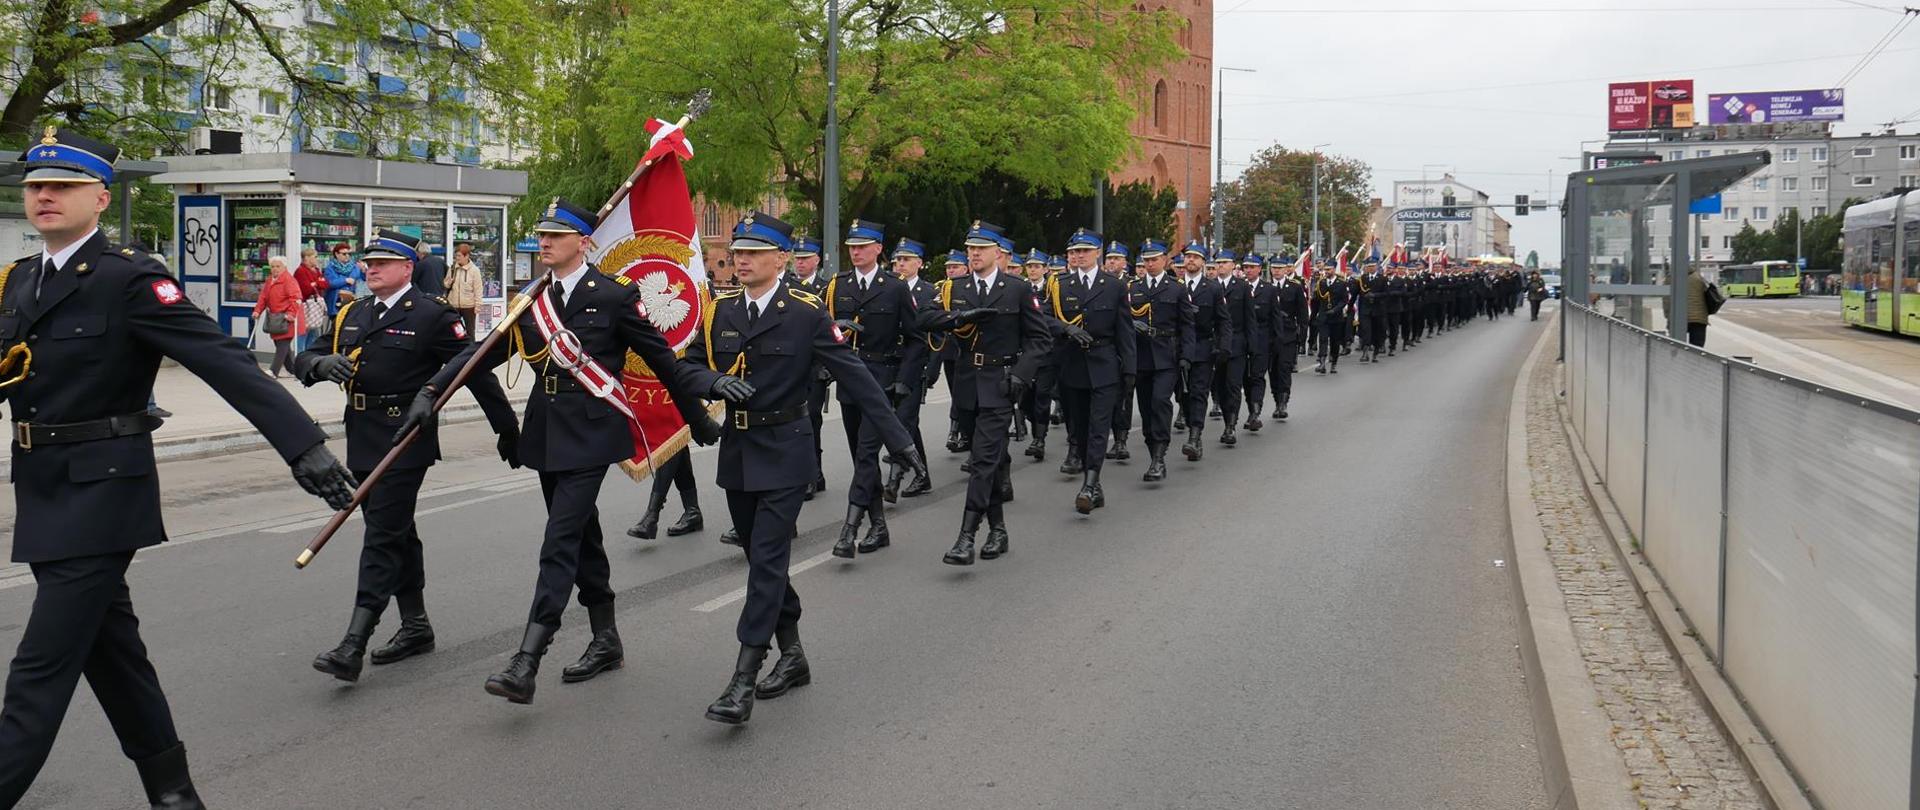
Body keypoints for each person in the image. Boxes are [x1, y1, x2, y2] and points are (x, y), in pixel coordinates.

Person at [0, 128, 357, 810]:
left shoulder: (128, 277)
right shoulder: (20, 281)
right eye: (36, 186)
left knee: (37, 674)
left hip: (103, 497)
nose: (45, 196)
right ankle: (175, 795)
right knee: (113, 654)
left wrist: (301, 445)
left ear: (100, 197)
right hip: (43, 489)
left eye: (64, 186)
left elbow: (221, 361)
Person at [398, 198, 727, 704]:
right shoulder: (532, 302)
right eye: (542, 235)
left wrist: (697, 418)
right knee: (581, 536)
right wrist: (431, 392)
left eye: (555, 235)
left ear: (584, 243)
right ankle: (606, 637)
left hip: (594, 434)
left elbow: (663, 362)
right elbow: (479, 355)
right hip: (547, 433)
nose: (544, 243)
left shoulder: (614, 296)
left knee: (559, 539)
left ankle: (528, 656)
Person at [674, 211, 925, 724]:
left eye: (753, 252)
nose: (740, 260)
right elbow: (686, 365)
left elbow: (855, 377)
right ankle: (792, 655)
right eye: (737, 252)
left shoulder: (806, 313)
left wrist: (900, 443)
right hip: (739, 450)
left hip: (788, 451)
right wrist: (712, 384)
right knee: (759, 559)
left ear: (781, 259)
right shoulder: (720, 311)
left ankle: (743, 677)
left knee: (767, 560)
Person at [293, 231, 520, 684]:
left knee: (381, 534)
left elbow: (471, 372)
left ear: (406, 269)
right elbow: (305, 356)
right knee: (397, 531)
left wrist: (506, 428)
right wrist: (320, 366)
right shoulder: (352, 312)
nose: (370, 268)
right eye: (367, 262)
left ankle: (354, 641)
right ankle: (416, 625)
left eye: (381, 262)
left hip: (404, 436)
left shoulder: (433, 315)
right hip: (360, 435)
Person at [920, 221, 1051, 564]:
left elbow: (1040, 340)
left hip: (1000, 381)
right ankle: (998, 529)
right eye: (970, 248)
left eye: (981, 248)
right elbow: (925, 318)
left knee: (981, 460)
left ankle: (967, 536)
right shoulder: (953, 287)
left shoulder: (1017, 289)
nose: (974, 253)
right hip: (965, 382)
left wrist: (1021, 375)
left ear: (998, 253)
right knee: (987, 460)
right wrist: (958, 316)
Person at [823, 219, 919, 558]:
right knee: (859, 457)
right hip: (850, 381)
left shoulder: (894, 287)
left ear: (879, 249)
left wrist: (904, 381)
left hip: (881, 380)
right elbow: (821, 328)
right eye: (852, 245)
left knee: (866, 454)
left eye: (863, 245)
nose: (855, 250)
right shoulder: (838, 286)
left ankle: (849, 529)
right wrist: (835, 326)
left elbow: (916, 337)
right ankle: (878, 526)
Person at [1046, 228, 1136, 513]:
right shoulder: (1059, 284)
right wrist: (1065, 328)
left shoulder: (1114, 285)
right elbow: (1044, 318)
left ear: (1097, 253)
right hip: (1072, 364)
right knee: (1079, 428)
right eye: (1074, 252)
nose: (1078, 256)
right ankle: (1093, 484)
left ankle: (1089, 482)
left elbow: (1125, 331)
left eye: (1084, 251)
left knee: (1099, 427)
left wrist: (1130, 370)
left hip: (1104, 363)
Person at [1126, 239, 1193, 482]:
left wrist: (1187, 355)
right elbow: (1122, 321)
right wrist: (1133, 324)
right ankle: (1152, 446)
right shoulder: (1133, 288)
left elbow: (1187, 325)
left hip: (1167, 355)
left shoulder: (1176, 288)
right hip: (1141, 357)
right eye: (1146, 260)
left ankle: (1159, 456)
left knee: (1160, 402)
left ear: (1165, 260)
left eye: (1154, 259)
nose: (1150, 264)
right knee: (1145, 409)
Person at [885, 237, 937, 501]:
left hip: (914, 366)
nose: (900, 264)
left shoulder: (930, 292)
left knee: (903, 420)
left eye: (906, 260)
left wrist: (931, 369)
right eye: (897, 260)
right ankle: (922, 473)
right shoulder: (889, 287)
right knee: (906, 424)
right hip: (890, 364)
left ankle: (893, 480)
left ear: (920, 263)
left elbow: (935, 336)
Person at [1177, 242, 1229, 461]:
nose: (1190, 260)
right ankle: (1191, 424)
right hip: (1177, 349)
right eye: (1188, 256)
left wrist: (1224, 346)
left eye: (1196, 257)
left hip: (1202, 348)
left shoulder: (1213, 288)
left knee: (1198, 392)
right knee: (1182, 395)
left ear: (1203, 262)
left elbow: (1223, 321)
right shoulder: (1174, 285)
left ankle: (1195, 436)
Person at [251, 255, 305, 378]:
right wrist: (257, 311)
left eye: (278, 266)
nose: (275, 269)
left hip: (287, 318)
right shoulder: (270, 280)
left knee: (282, 343)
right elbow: (263, 297)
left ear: (284, 267)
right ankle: (294, 370)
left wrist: (291, 314)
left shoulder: (289, 280)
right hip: (275, 318)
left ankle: (273, 371)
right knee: (280, 343)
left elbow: (296, 298)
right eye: (273, 266)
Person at [444, 241, 485, 337]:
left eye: (459, 256)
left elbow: (478, 289)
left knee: (470, 331)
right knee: (454, 331)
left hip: (469, 306)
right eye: (456, 256)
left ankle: (471, 351)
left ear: (466, 256)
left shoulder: (474, 270)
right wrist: (448, 282)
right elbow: (446, 285)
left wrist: (478, 306)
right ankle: (457, 349)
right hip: (454, 305)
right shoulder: (453, 268)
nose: (457, 258)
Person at [293, 247, 327, 352]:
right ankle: (300, 355)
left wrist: (315, 283)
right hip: (305, 305)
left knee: (314, 332)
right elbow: (306, 289)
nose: (317, 259)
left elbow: (325, 284)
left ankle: (309, 356)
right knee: (303, 332)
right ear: (307, 258)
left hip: (315, 305)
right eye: (315, 257)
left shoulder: (316, 270)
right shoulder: (300, 271)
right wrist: (317, 283)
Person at [322, 242, 363, 315]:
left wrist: (364, 271)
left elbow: (362, 281)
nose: (347, 256)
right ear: (336, 254)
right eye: (344, 254)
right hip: (336, 302)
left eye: (349, 254)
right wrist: (345, 280)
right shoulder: (330, 268)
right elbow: (329, 283)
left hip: (353, 302)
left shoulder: (355, 266)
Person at [1685, 265, 1710, 347]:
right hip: (1699, 319)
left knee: (1677, 347)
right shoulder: (1698, 277)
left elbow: (1667, 300)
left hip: (1679, 318)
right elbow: (1709, 293)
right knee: (1697, 348)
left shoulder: (1671, 278)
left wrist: (1668, 316)